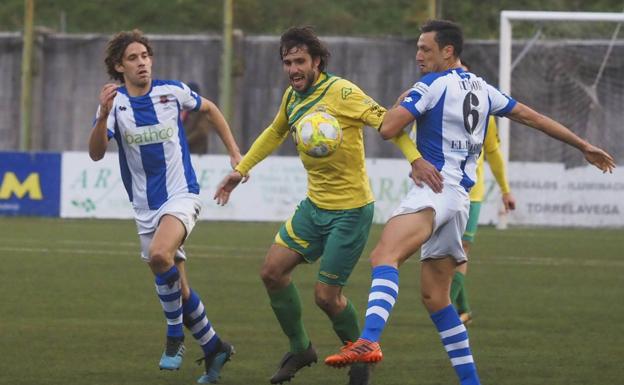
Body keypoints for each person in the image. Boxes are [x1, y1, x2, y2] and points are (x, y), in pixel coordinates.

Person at [324, 19, 615, 385]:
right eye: (417, 48)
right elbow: (534, 118)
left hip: (434, 191)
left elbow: (387, 127)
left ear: (448, 51)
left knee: (385, 256)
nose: (418, 55)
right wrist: (583, 145)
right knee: (436, 298)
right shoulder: (484, 88)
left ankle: (367, 340)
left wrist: (404, 98)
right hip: (459, 201)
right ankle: (471, 382)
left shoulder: (432, 84)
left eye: (425, 49)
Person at [214, 26, 422, 385]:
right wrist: (241, 169)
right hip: (314, 207)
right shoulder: (292, 98)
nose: (293, 69)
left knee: (327, 297)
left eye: (300, 61)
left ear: (317, 62)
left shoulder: (341, 92)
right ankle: (301, 348)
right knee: (272, 272)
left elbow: (387, 122)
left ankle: (360, 357)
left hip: (351, 211)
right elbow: (276, 131)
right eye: (287, 62)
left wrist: (416, 159)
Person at [88, 29, 243, 384]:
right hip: (144, 207)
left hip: (181, 194)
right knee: (180, 290)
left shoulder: (171, 92)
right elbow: (96, 153)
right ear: (118, 66)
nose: (142, 62)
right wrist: (101, 116)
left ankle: (174, 336)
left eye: (145, 55)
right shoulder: (115, 106)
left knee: (161, 256)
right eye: (133, 58)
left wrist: (234, 151)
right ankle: (215, 347)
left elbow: (211, 109)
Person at [450, 61, 516, 324]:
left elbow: (493, 152)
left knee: (460, 250)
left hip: (472, 192)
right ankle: (457, 307)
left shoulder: (483, 113)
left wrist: (505, 190)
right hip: (440, 188)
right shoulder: (437, 106)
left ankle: (455, 309)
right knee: (443, 252)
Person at [180, 82, 212, 154]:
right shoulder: (184, 108)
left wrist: (185, 141)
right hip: (184, 151)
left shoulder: (202, 110)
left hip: (197, 152)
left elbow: (202, 130)